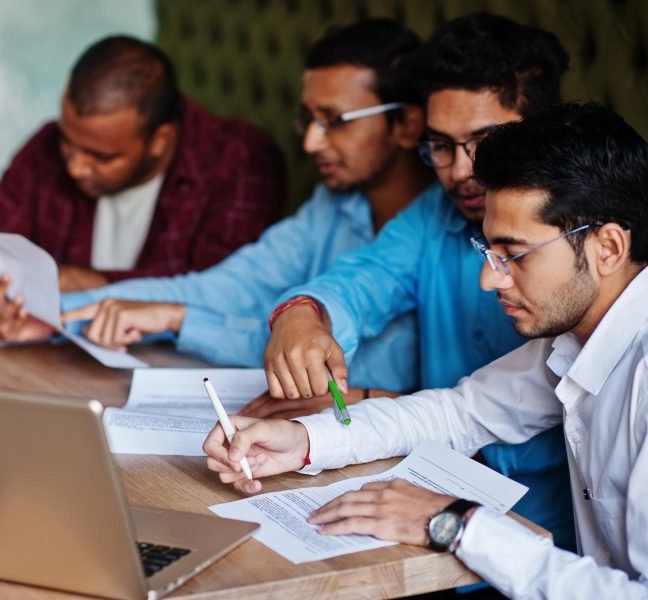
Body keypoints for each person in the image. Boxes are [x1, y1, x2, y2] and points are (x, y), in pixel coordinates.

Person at [205, 102, 648, 599]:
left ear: (607, 248)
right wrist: (302, 440)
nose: (488, 279)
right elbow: (458, 413)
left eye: (514, 255)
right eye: (488, 253)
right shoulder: (573, 341)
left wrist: (454, 523)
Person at [260, 13, 575, 550]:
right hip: (427, 511)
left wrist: (372, 400)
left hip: (546, 537)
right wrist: (302, 313)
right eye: (442, 146)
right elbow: (362, 280)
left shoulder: (582, 241)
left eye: (485, 142)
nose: (459, 171)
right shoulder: (432, 214)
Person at [0, 19, 435, 394]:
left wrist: (178, 320)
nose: (310, 141)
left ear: (407, 124)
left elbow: (329, 362)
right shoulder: (331, 207)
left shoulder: (446, 228)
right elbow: (221, 288)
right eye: (309, 119)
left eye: (334, 122)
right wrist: (54, 312)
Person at [0, 35, 285, 330]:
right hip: (51, 367)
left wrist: (90, 284)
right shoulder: (46, 147)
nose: (75, 167)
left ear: (160, 140)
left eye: (100, 157)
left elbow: (225, 294)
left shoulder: (239, 161)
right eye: (68, 143)